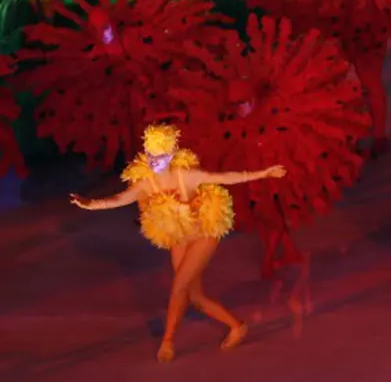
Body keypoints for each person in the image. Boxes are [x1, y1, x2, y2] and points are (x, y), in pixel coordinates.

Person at [70, 123, 287, 363]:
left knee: (178, 286)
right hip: (180, 237)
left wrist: (265, 173)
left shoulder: (187, 175)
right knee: (194, 297)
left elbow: (225, 178)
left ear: (171, 154)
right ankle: (237, 326)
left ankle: (168, 341)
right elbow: (119, 199)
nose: (154, 161)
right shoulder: (146, 183)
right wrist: (91, 203)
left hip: (203, 234)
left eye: (160, 156)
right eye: (151, 155)